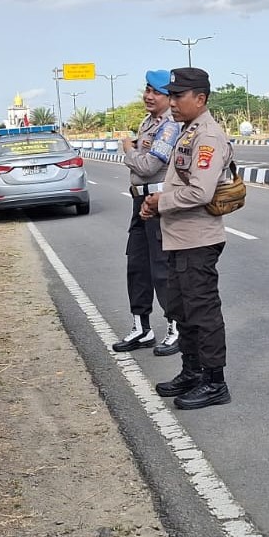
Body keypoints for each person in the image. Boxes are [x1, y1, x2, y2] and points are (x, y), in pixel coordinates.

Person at [140, 67, 234, 410]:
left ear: (200, 99)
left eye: (179, 96)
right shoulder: (186, 131)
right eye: (173, 95)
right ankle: (192, 371)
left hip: (198, 238)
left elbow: (200, 191)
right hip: (178, 237)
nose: (173, 102)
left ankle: (214, 381)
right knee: (181, 310)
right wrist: (156, 203)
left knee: (202, 312)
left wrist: (160, 202)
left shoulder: (207, 136)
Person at [112, 70, 182, 355]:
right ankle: (141, 327)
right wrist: (136, 153)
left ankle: (176, 327)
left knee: (162, 268)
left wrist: (128, 149)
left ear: (169, 97)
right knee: (137, 265)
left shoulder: (169, 126)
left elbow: (148, 167)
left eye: (156, 92)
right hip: (138, 202)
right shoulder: (148, 122)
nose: (148, 96)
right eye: (147, 90)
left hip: (158, 203)